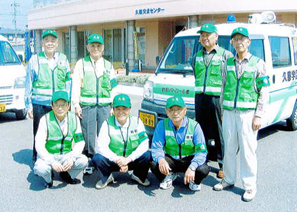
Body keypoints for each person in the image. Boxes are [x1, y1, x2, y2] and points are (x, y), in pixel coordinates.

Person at [213, 27, 269, 202]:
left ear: (249, 41)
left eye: (242, 39)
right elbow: (223, 87)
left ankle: (250, 186)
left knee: (247, 150)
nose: (239, 42)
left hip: (247, 113)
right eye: (235, 39)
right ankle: (229, 179)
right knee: (229, 147)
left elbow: (264, 91)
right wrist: (222, 110)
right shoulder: (228, 62)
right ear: (231, 42)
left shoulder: (258, 63)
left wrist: (259, 115)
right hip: (229, 112)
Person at [72, 33, 118, 174]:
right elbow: (75, 85)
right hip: (87, 105)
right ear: (88, 47)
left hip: (104, 105)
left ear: (103, 48)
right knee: (88, 134)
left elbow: (114, 86)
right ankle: (90, 160)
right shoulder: (81, 63)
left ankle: (102, 159)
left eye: (98, 46)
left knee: (103, 134)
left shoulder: (108, 65)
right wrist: (76, 104)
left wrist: (113, 106)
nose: (95, 48)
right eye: (92, 45)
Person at [25, 30, 71, 162]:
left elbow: (68, 82)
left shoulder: (63, 59)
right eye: (47, 40)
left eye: (52, 40)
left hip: (59, 104)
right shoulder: (35, 60)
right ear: (42, 43)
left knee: (59, 132)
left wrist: (68, 102)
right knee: (40, 133)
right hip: (40, 103)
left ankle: (58, 157)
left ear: (57, 43)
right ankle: (38, 158)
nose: (50, 43)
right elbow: (28, 83)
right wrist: (28, 106)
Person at [194, 23, 233, 178]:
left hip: (217, 99)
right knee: (200, 130)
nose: (205, 38)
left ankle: (223, 163)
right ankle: (202, 160)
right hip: (200, 98)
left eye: (208, 35)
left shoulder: (226, 55)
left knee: (219, 131)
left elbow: (230, 80)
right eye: (202, 35)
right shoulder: (196, 55)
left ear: (216, 36)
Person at [151, 96, 210, 191]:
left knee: (203, 169)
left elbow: (202, 151)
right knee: (155, 164)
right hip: (171, 159)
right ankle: (169, 175)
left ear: (185, 110)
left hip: (189, 160)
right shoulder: (162, 125)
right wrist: (161, 160)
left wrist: (192, 167)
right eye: (171, 110)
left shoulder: (194, 126)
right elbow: (156, 147)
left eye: (179, 109)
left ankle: (194, 180)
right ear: (167, 112)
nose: (175, 113)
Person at [92, 94, 151, 189]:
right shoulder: (106, 124)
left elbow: (144, 144)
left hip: (131, 159)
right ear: (113, 110)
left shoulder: (137, 122)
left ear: (130, 109)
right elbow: (101, 147)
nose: (121, 112)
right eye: (118, 109)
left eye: (124, 109)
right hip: (114, 160)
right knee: (97, 158)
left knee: (147, 155)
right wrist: (117, 159)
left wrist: (129, 159)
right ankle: (107, 177)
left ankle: (138, 175)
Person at [33, 91, 88, 188]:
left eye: (63, 105)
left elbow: (80, 142)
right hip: (49, 155)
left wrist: (72, 158)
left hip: (66, 155)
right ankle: (48, 179)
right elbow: (39, 144)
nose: (60, 108)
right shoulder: (44, 120)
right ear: (52, 105)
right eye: (56, 105)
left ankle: (67, 174)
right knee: (41, 168)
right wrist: (52, 161)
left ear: (68, 106)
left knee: (84, 160)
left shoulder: (74, 119)